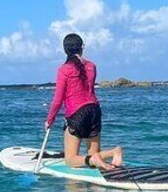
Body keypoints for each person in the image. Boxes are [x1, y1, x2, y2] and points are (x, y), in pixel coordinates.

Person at [45, 33, 123, 170]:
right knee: (94, 154)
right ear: (82, 48)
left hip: (77, 114)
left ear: (65, 50)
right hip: (94, 110)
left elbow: (58, 100)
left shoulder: (64, 70)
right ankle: (114, 152)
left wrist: (49, 120)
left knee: (70, 160)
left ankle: (94, 161)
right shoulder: (91, 66)